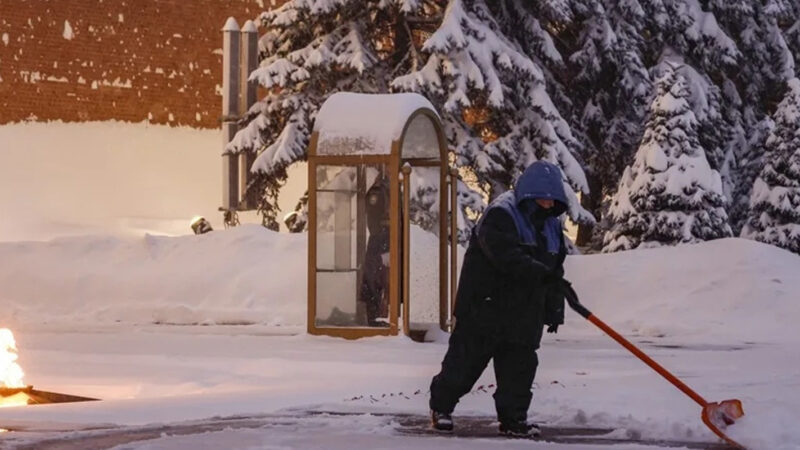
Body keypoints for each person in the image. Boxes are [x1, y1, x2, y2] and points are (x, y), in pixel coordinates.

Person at [429, 160, 568, 437]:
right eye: (543, 198)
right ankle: (441, 407)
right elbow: (506, 257)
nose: (548, 205)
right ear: (529, 194)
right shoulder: (501, 215)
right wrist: (542, 275)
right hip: (485, 308)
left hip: (524, 314)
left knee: (519, 370)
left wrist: (553, 307)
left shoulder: (551, 226)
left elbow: (555, 269)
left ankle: (514, 419)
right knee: (464, 366)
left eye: (552, 200)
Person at [359, 174, 391, 326]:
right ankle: (374, 318)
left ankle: (377, 316)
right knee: (373, 280)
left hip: (383, 241)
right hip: (380, 241)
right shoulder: (377, 191)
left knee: (377, 280)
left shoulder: (385, 189)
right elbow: (375, 220)